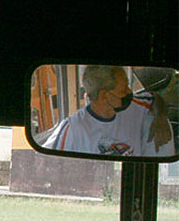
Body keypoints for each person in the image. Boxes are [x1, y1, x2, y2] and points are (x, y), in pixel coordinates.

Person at [43, 65, 174, 157]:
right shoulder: (72, 128)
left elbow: (156, 98)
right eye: (123, 90)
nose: (129, 92)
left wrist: (161, 117)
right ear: (104, 95)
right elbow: (49, 157)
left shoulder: (138, 105)